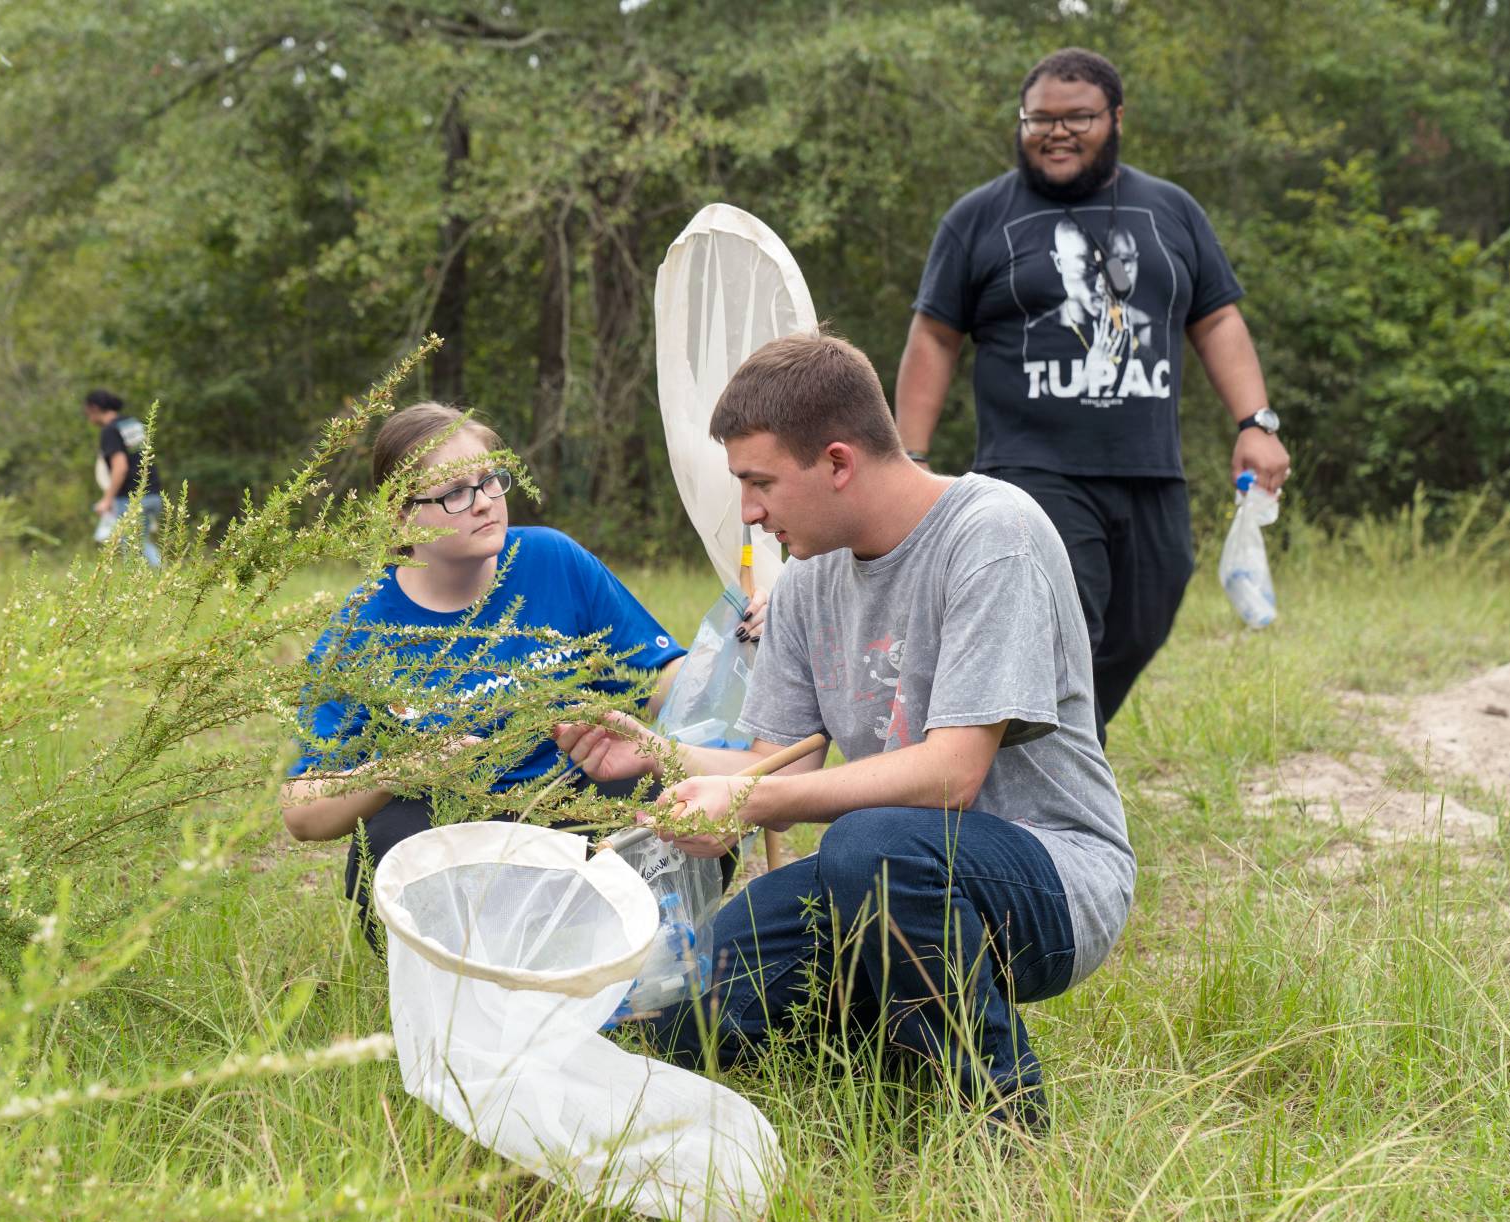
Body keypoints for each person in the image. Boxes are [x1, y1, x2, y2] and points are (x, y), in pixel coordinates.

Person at [554, 332, 1134, 1131]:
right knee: (685, 1012)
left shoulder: (992, 535)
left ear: (837, 461)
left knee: (871, 846)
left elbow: (952, 775)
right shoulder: (804, 582)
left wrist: (746, 804)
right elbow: (770, 769)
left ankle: (996, 1122)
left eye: (760, 483)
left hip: (1053, 878)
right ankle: (879, 1052)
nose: (749, 512)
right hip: (888, 873)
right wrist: (661, 753)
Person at [895, 48, 1292, 743]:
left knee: (1147, 618)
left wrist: (1256, 422)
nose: (1055, 131)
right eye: (1038, 118)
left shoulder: (1171, 209)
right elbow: (933, 337)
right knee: (1064, 624)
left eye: (1077, 116)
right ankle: (1052, 771)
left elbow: (1217, 317)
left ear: (1115, 117)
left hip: (1149, 469)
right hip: (1031, 469)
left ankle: (1053, 733)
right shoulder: (978, 218)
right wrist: (910, 457)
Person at [280, 401, 701, 942]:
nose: (484, 504)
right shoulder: (361, 634)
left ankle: (636, 956)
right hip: (455, 831)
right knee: (390, 842)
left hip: (576, 808)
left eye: (491, 481)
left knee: (674, 799)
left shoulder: (553, 561)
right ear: (402, 515)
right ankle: (464, 979)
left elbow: (667, 678)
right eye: (455, 492)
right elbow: (301, 812)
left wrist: (744, 655)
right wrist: (403, 769)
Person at [84, 389, 165, 568]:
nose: (87, 417)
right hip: (153, 493)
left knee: (133, 546)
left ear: (94, 408)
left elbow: (120, 468)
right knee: (140, 541)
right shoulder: (132, 424)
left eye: (87, 412)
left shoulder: (110, 430)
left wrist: (107, 499)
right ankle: (162, 578)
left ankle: (161, 579)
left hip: (132, 497)